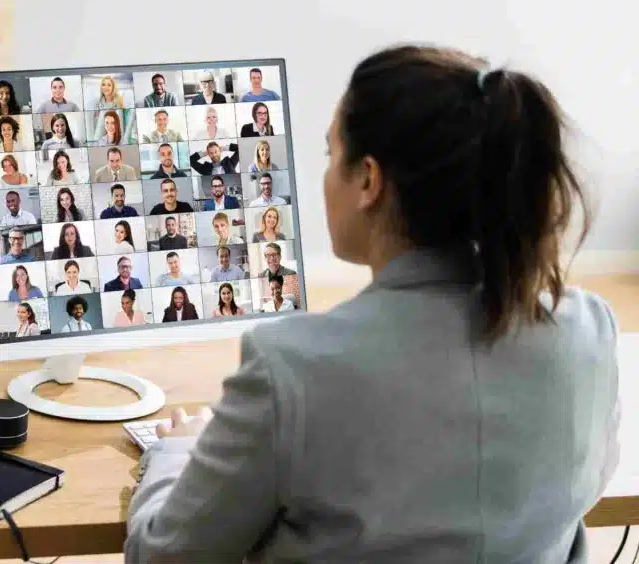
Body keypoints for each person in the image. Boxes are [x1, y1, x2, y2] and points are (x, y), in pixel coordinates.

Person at [125, 44, 618, 563]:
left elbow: (164, 557)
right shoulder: (589, 329)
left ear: (367, 180)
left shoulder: (290, 369)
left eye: (330, 154)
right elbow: (583, 489)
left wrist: (177, 450)